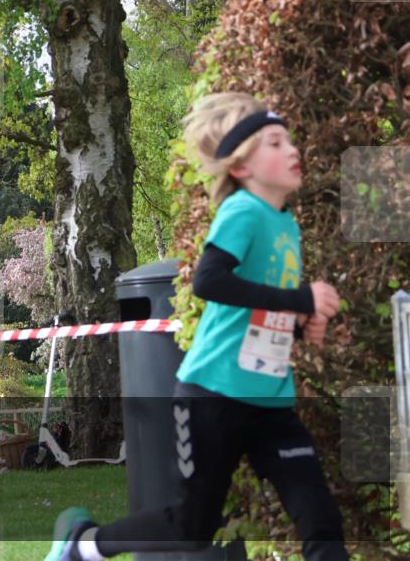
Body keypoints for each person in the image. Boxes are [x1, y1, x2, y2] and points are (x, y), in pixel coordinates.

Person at [44, 93, 347, 561]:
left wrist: (301, 326)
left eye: (290, 140)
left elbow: (254, 305)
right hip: (214, 396)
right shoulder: (243, 212)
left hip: (270, 402)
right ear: (242, 169)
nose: (292, 150)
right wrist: (302, 298)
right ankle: (84, 544)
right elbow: (210, 281)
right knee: (192, 529)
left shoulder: (285, 226)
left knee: (321, 519)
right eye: (274, 142)